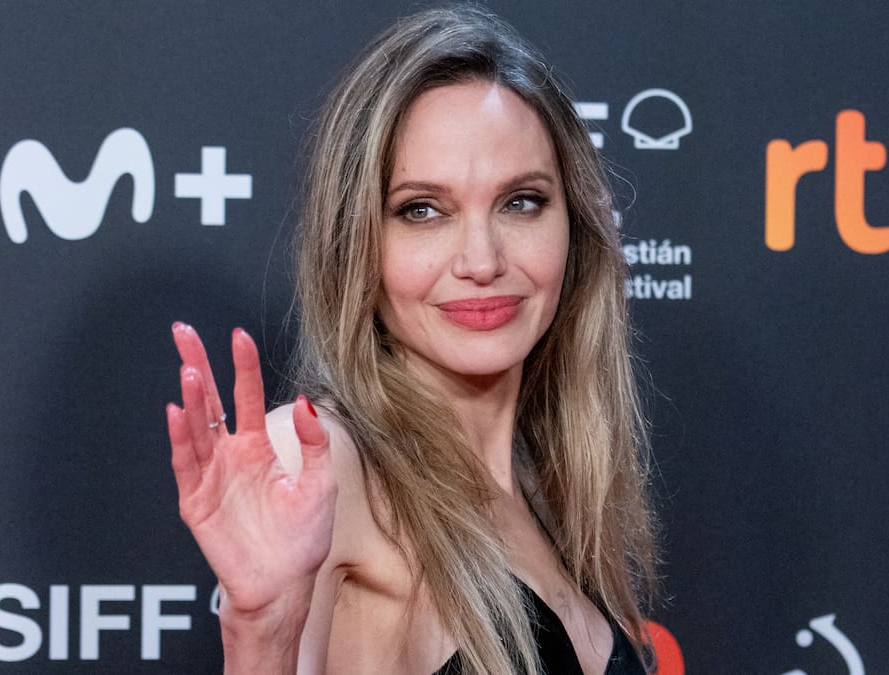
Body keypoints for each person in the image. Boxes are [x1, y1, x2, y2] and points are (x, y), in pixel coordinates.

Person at [166, 6, 659, 674]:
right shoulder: (323, 462)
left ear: (574, 226)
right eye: (422, 210)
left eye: (521, 201)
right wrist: (262, 631)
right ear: (358, 243)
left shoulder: (546, 487)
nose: (482, 261)